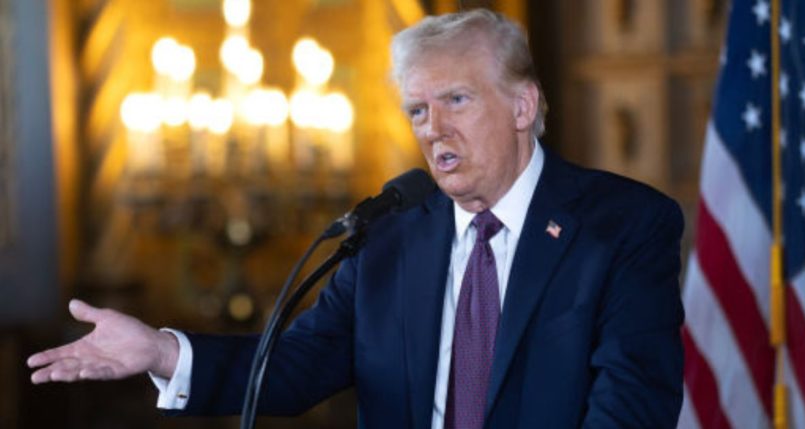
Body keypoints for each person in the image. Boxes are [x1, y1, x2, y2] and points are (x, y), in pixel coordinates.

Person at [28, 8, 684, 428]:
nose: (435, 129)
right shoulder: (390, 231)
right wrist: (162, 350)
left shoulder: (623, 225)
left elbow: (630, 407)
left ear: (522, 105)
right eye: (418, 111)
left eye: (455, 99)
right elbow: (298, 364)